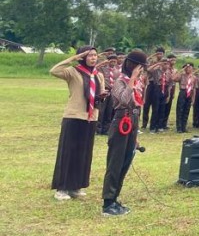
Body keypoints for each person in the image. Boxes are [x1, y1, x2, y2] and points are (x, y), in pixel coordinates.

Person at [50, 46, 107, 201]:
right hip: (74, 116)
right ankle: (61, 187)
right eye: (89, 55)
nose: (93, 58)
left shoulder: (98, 75)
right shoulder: (73, 72)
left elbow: (99, 95)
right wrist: (73, 59)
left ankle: (76, 186)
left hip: (91, 117)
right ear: (82, 57)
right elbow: (54, 70)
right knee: (68, 152)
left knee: (84, 154)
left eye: (95, 55)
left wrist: (102, 96)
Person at [102, 49, 147, 216]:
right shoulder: (121, 81)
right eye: (140, 67)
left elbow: (138, 106)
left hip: (132, 122)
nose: (141, 70)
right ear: (133, 66)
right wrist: (133, 79)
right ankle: (107, 203)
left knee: (125, 162)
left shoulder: (138, 82)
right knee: (115, 163)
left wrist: (135, 135)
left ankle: (114, 199)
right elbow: (124, 100)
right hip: (121, 121)